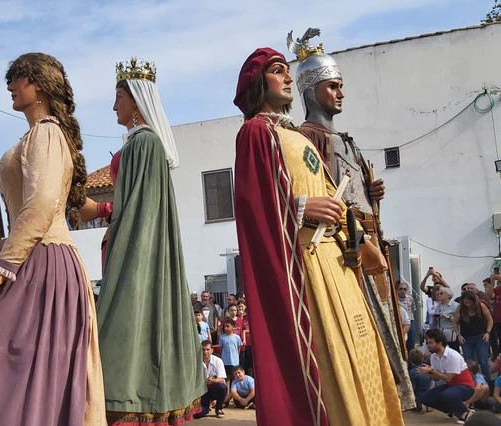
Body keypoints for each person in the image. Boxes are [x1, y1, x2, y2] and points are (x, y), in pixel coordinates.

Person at [231, 46, 403, 425]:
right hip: (307, 266)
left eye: (288, 71)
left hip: (337, 262)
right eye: (279, 71)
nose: (288, 78)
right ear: (259, 83)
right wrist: (301, 208)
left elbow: (332, 196)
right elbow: (252, 206)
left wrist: (363, 241)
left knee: (362, 353)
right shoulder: (255, 133)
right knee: (331, 361)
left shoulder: (292, 134)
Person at [0, 52, 105, 425]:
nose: (11, 86)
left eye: (19, 78)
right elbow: (31, 214)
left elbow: (43, 204)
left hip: (43, 264)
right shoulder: (38, 135)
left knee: (24, 369)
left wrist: (3, 267)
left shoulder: (46, 132)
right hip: (36, 259)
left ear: (40, 84)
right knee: (18, 369)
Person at [292, 29, 415, 411]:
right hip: (347, 245)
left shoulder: (346, 139)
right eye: (332, 86)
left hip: (368, 237)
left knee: (387, 332)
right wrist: (360, 238)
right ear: (312, 91)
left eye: (341, 85)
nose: (340, 93)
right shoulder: (307, 137)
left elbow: (353, 190)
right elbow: (324, 191)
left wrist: (371, 195)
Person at [77, 57, 204, 424]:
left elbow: (132, 208)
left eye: (118, 97)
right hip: (132, 242)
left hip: (134, 249)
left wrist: (96, 209)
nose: (113, 105)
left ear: (134, 99)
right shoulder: (143, 144)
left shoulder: (142, 145)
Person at [418, 329, 475, 423]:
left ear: (439, 343)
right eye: (428, 342)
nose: (428, 345)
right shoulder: (433, 357)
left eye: (431, 343)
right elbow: (435, 378)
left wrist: (431, 370)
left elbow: (448, 377)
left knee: (447, 394)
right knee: (425, 398)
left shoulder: (453, 356)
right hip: (451, 386)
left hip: (466, 386)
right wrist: (429, 372)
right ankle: (451, 409)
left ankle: (465, 413)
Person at [454, 291, 493, 380]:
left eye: (470, 302)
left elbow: (490, 320)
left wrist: (488, 332)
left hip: (481, 336)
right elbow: (455, 323)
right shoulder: (460, 309)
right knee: (469, 361)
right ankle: (471, 381)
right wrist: (459, 335)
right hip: (466, 338)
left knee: (483, 361)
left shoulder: (481, 306)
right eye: (466, 302)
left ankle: (488, 383)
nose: (468, 304)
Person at [196, 340, 226, 419]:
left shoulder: (218, 361)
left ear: (212, 350)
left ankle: (219, 408)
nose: (205, 352)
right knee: (199, 414)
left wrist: (212, 380)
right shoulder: (196, 362)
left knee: (222, 387)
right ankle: (205, 409)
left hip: (213, 388)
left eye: (207, 349)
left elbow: (221, 379)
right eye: (203, 349)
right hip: (201, 391)